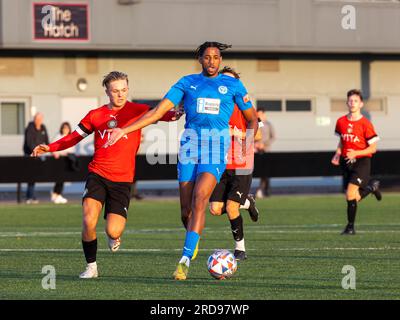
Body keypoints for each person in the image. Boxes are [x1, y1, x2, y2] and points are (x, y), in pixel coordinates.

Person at [105, 42, 259, 280]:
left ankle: (184, 260)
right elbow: (157, 112)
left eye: (216, 57)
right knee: (186, 211)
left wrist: (248, 143)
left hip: (216, 150)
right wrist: (124, 130)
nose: (212, 61)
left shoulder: (233, 85)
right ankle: (192, 238)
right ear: (200, 59)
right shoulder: (187, 83)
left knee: (200, 198)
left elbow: (252, 119)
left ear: (220, 60)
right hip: (189, 148)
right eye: (207, 57)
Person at [31, 71, 180, 279]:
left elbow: (168, 115)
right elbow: (74, 137)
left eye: (124, 90)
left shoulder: (139, 110)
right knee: (88, 220)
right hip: (98, 174)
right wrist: (50, 147)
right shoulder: (96, 115)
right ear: (107, 92)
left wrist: (182, 110)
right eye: (116, 91)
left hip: (122, 180)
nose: (120, 94)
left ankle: (113, 237)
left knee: (113, 231)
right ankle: (91, 267)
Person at [209, 66, 260, 261]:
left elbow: (259, 133)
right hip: (220, 163)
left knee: (231, 207)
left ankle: (240, 249)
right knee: (214, 209)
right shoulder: (214, 107)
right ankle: (247, 202)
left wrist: (238, 134)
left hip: (241, 162)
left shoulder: (245, 107)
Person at [331, 89, 382, 235]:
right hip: (346, 162)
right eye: (350, 101)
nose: (352, 103)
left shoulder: (366, 124)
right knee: (353, 196)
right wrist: (337, 153)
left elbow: (373, 148)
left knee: (349, 194)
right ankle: (372, 187)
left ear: (361, 104)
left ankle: (350, 227)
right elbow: (342, 141)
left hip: (362, 161)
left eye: (355, 101)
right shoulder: (340, 121)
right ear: (347, 103)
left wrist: (356, 152)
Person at [23, 112, 49, 204]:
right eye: (37, 119)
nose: (38, 121)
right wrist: (36, 151)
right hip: (30, 155)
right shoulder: (29, 128)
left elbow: (46, 141)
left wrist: (47, 149)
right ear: (34, 119)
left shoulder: (43, 127)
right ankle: (29, 197)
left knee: (35, 176)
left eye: (40, 119)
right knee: (30, 176)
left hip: (40, 155)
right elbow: (29, 143)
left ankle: (31, 195)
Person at [51, 122, 74, 204]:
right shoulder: (58, 136)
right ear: (62, 128)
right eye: (64, 128)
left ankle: (58, 194)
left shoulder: (70, 137)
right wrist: (55, 153)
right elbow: (52, 147)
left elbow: (71, 150)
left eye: (67, 128)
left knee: (63, 178)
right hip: (59, 160)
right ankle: (55, 194)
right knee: (59, 178)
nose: (66, 129)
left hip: (67, 160)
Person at [254, 108, 275, 198]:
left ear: (264, 114)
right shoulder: (255, 123)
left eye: (260, 114)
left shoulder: (269, 124)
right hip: (256, 151)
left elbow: (273, 137)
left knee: (266, 172)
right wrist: (256, 144)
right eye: (257, 114)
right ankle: (260, 190)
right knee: (258, 171)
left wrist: (264, 144)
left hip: (266, 151)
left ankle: (265, 190)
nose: (258, 116)